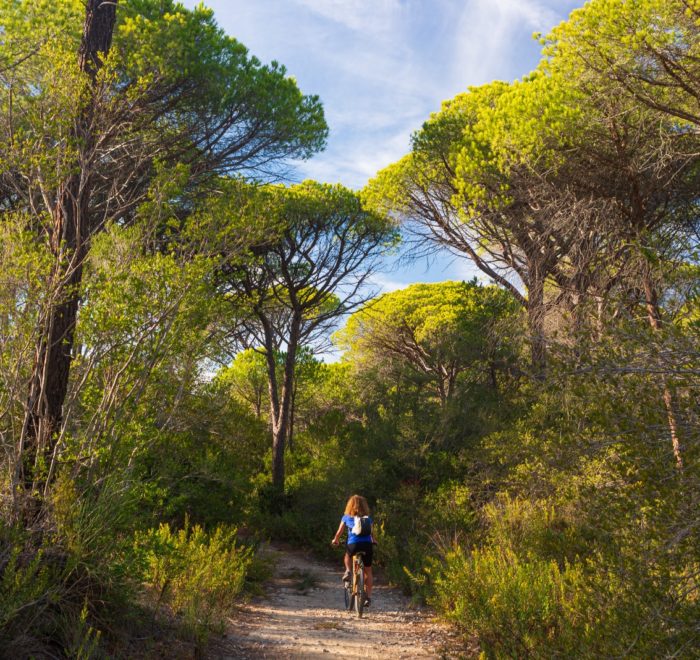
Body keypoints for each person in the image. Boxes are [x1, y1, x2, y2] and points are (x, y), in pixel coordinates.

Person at [331, 494, 374, 607]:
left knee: (347, 556)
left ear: (349, 505)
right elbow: (372, 534)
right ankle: (368, 597)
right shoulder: (368, 519)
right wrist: (374, 541)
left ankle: (348, 571)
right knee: (368, 571)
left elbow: (339, 532)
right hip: (367, 545)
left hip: (353, 545)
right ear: (364, 506)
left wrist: (336, 539)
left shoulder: (346, 517)